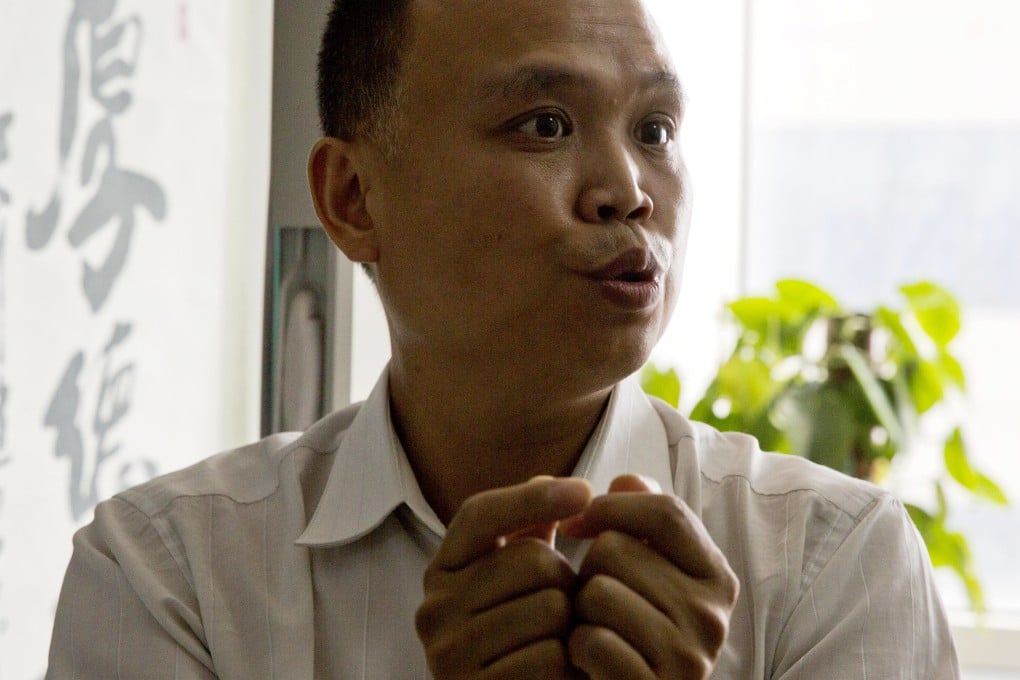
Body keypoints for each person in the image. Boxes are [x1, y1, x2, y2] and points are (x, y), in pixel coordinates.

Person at [46, 0, 960, 677]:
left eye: (655, 130)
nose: (627, 190)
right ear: (354, 199)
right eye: (545, 125)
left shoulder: (832, 564)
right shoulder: (172, 575)